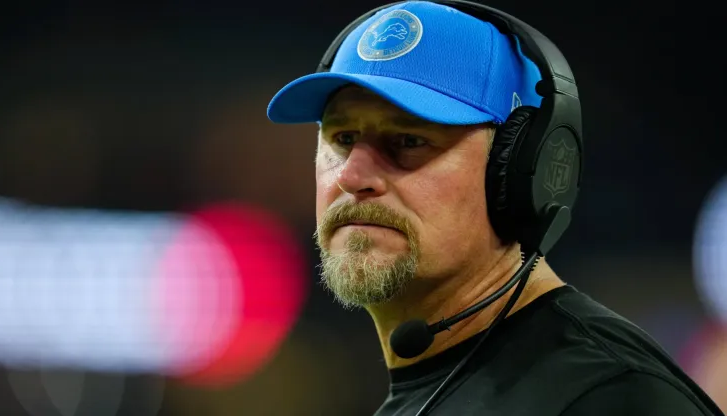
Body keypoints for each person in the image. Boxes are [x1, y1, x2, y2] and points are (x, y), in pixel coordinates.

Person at [266, 1, 724, 415]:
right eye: (343, 140)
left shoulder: (606, 396)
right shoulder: (429, 395)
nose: (350, 177)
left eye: (408, 141)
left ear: (520, 168)